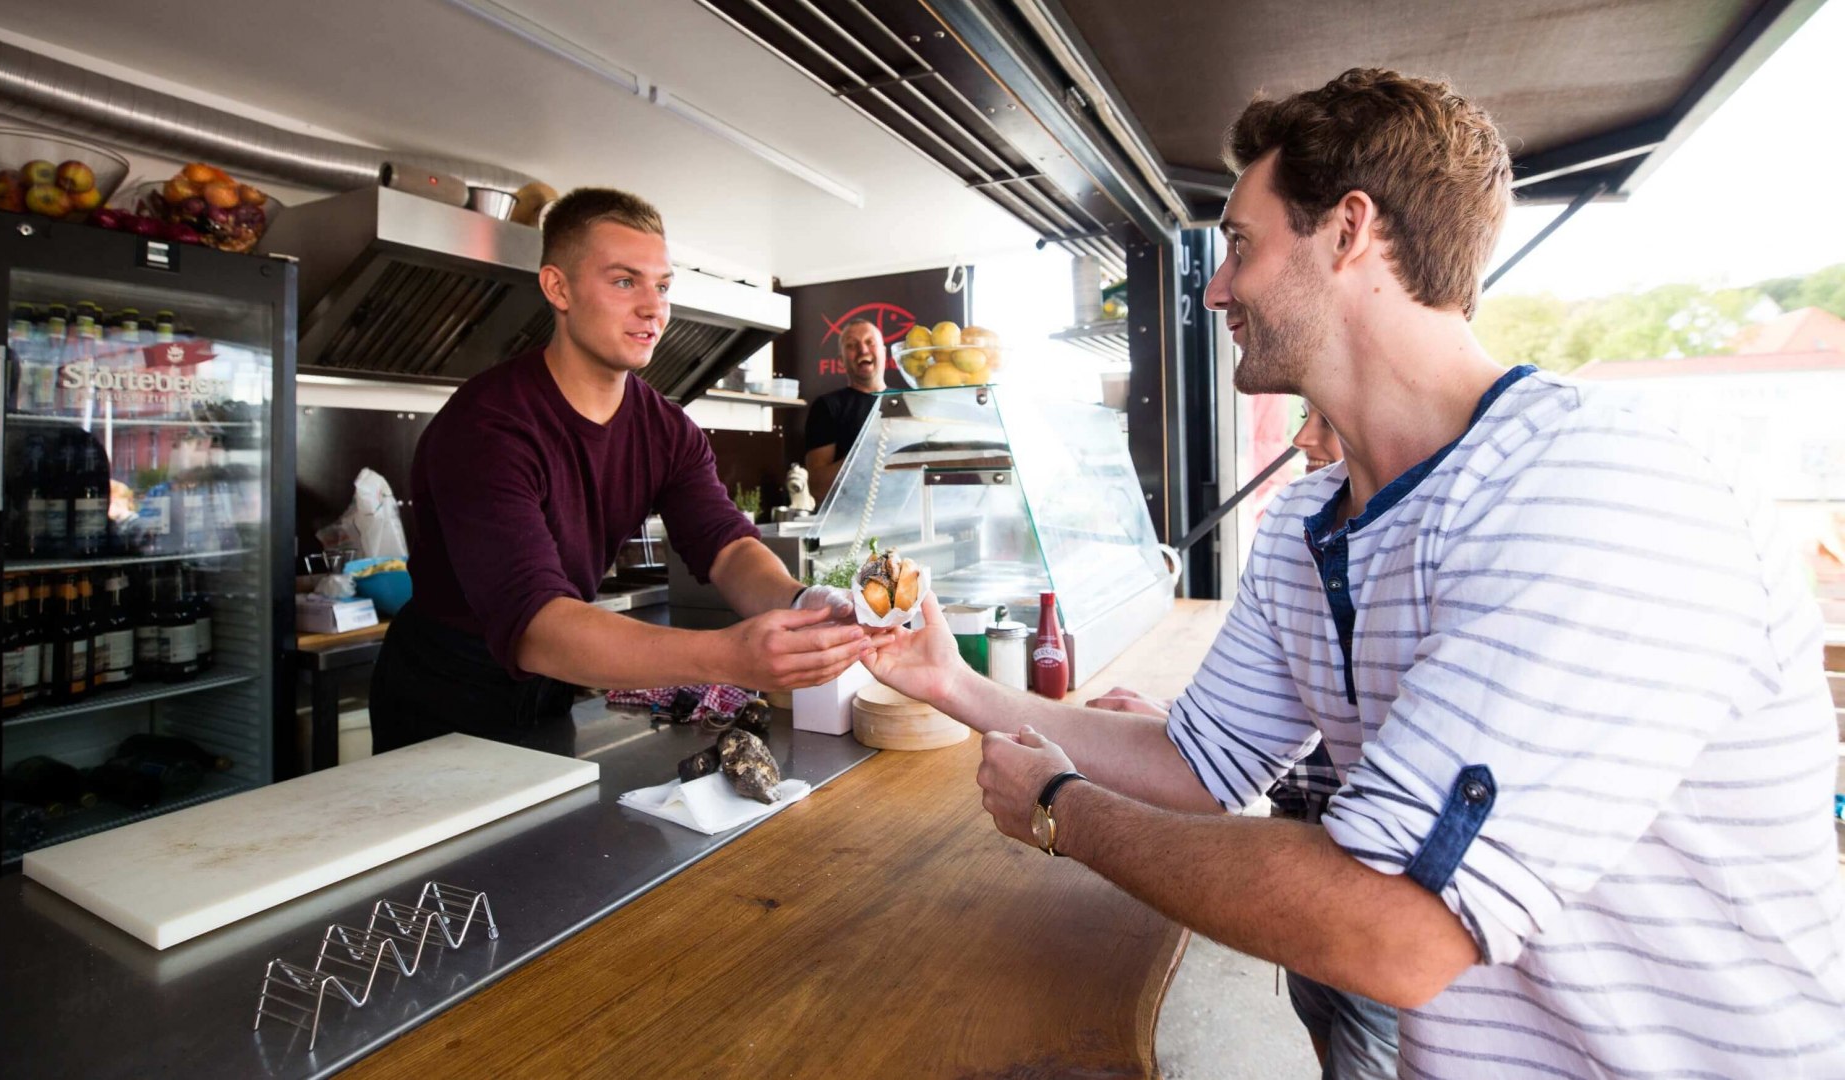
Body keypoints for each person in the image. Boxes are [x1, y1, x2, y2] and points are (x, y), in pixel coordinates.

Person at [867, 68, 1844, 1078]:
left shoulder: (1591, 491)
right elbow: (1200, 768)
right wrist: (956, 686)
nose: (1212, 287)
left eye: (1239, 245)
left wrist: (1063, 807)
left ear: (1349, 231)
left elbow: (1391, 927)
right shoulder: (1306, 524)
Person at [370, 188, 865, 753]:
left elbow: (726, 545)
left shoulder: (667, 428)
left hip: (547, 696)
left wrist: (801, 603)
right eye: (624, 281)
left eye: (662, 286)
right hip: (443, 707)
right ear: (558, 287)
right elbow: (536, 625)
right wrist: (730, 656)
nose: (653, 308)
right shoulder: (489, 426)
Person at [1094, 401, 1397, 1080]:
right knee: (1321, 1018)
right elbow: (1312, 714)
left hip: (1369, 907)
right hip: (1313, 860)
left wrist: (1065, 805)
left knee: (1370, 1047)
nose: (1303, 438)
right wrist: (1197, 721)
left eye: (1328, 420)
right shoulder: (1315, 525)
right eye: (1305, 415)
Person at [801, 319, 887, 502]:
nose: (863, 350)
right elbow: (818, 487)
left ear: (884, 352)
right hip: (848, 525)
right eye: (852, 345)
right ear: (841, 361)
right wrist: (870, 451)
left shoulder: (907, 401)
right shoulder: (827, 407)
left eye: (870, 342)